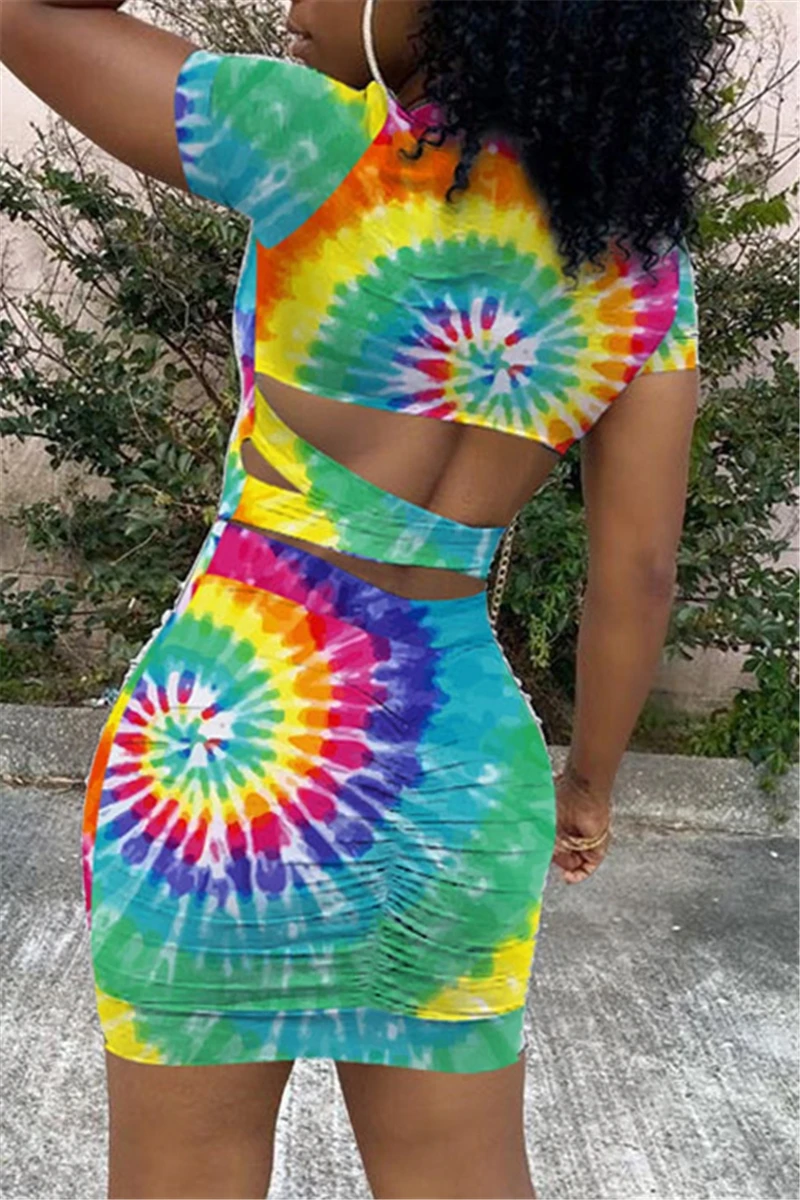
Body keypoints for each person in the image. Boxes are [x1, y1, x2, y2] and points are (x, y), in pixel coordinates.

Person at [2, 0, 735, 1195]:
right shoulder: (640, 258)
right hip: (455, 774)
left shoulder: (303, 138)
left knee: (182, 1171)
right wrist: (589, 783)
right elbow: (637, 573)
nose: (299, 8)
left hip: (218, 751)